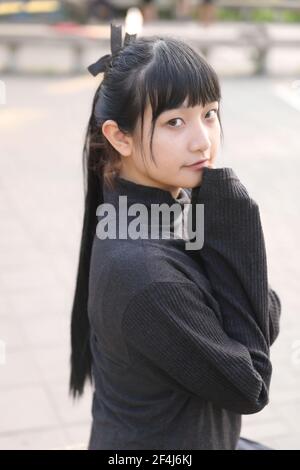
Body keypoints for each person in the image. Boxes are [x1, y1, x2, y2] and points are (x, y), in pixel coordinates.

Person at [69, 23, 281, 450]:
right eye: (175, 122)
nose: (202, 140)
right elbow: (251, 384)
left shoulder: (159, 206)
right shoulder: (146, 274)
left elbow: (261, 318)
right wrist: (239, 221)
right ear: (119, 137)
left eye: (209, 114)